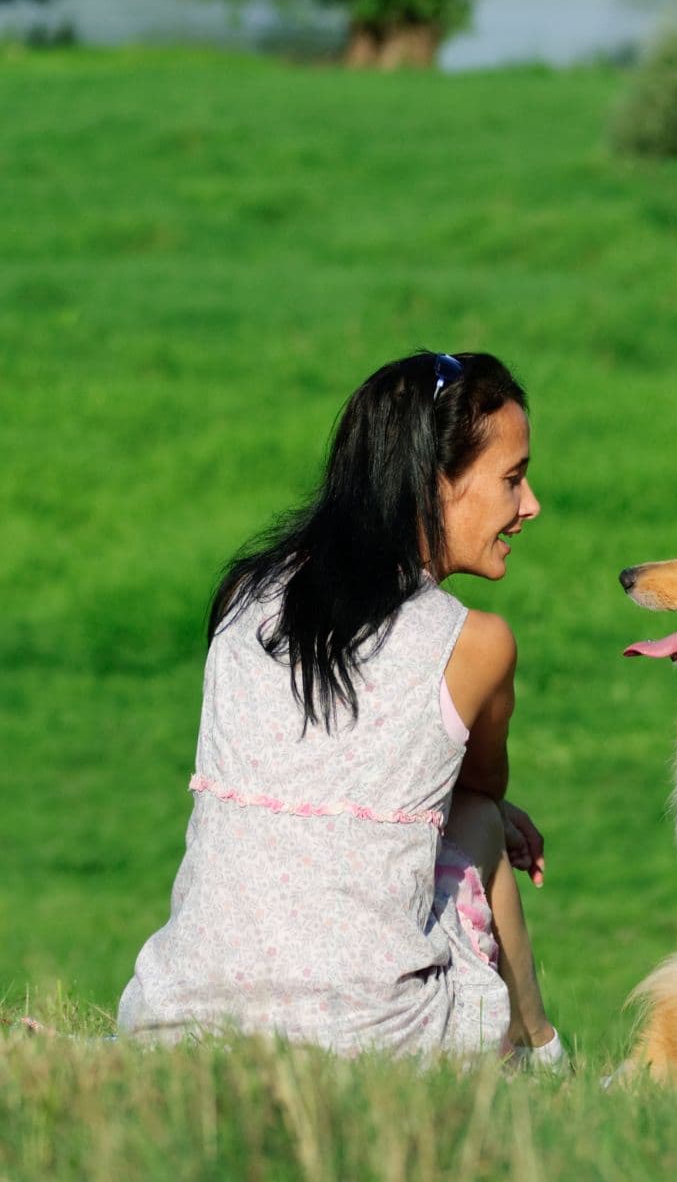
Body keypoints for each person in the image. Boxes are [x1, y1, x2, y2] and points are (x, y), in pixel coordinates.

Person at [118, 351, 562, 1066]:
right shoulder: (476, 644)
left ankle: (542, 1052)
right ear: (433, 485)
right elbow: (479, 791)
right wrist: (491, 812)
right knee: (480, 819)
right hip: (372, 1038)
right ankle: (543, 1052)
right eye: (512, 479)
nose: (530, 504)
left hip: (177, 1013)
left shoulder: (244, 594)